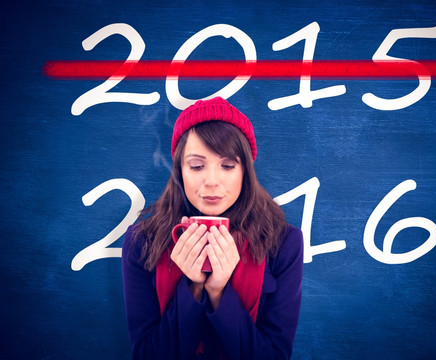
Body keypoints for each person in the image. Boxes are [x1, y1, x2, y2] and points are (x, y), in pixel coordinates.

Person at [122, 96, 304, 359]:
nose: (211, 181)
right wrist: (193, 288)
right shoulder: (141, 242)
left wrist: (219, 294)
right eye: (196, 166)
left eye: (228, 165)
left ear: (245, 171)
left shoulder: (284, 243)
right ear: (179, 170)